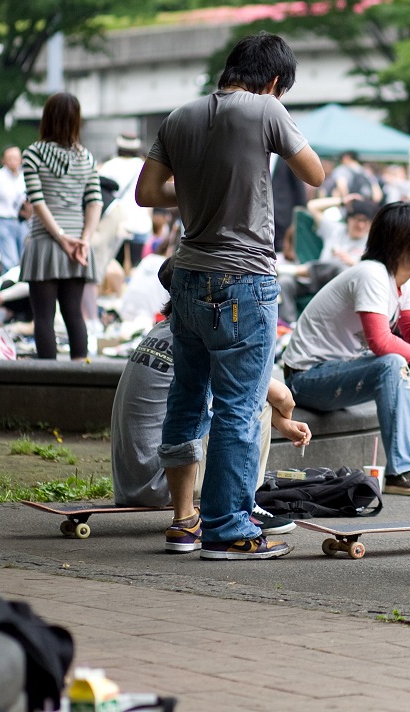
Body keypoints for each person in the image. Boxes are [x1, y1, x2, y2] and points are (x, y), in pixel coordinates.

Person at [135, 32, 325, 561]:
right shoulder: (266, 109)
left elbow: (147, 193)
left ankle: (184, 522)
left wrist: (201, 185)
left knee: (186, 400)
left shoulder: (179, 116)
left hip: (187, 278)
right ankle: (228, 528)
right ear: (273, 81)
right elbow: (314, 174)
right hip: (243, 281)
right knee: (238, 410)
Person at [109, 260, 310, 549]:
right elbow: (282, 397)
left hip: (131, 483)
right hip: (162, 484)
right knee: (254, 406)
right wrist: (285, 418)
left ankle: (197, 516)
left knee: (216, 402)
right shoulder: (204, 340)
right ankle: (242, 505)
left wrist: (282, 424)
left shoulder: (161, 332)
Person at [282, 201, 410, 492]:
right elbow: (380, 341)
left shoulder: (406, 283)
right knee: (394, 363)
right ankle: (401, 472)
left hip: (344, 370)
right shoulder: (371, 274)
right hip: (306, 378)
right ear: (402, 241)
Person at [20, 94, 102, 360]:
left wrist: (59, 236)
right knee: (74, 314)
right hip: (77, 246)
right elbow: (95, 202)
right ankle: (80, 374)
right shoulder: (86, 158)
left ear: (47, 117)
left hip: (45, 242)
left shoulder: (33, 154)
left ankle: (47, 378)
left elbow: (37, 201)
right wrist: (84, 239)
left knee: (43, 317)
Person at [99, 134, 154, 269]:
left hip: (116, 224)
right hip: (140, 222)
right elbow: (149, 199)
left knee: (115, 265)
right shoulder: (144, 166)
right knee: (136, 265)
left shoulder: (109, 166)